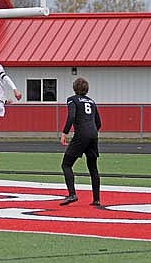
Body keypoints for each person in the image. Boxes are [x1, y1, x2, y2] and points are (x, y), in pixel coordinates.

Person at [60, 77, 102, 206]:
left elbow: (71, 116)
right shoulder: (92, 101)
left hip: (81, 135)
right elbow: (99, 123)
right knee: (93, 167)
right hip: (93, 135)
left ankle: (72, 194)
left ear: (74, 88)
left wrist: (64, 132)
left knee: (66, 164)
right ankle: (96, 199)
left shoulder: (72, 99)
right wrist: (91, 132)